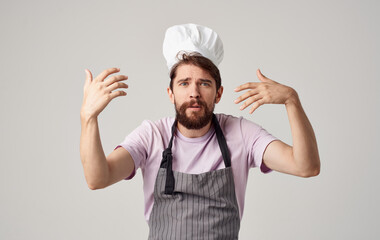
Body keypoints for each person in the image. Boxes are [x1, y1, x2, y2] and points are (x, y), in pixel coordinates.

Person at [80, 23, 320, 239]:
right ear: (171, 93)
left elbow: (305, 166)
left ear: (218, 93)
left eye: (204, 83)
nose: (193, 92)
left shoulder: (241, 133)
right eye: (184, 83)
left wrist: (292, 100)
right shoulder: (152, 136)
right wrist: (88, 118)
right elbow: (97, 178)